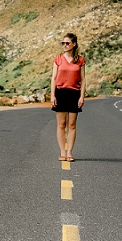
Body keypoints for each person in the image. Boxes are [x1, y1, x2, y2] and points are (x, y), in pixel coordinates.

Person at [50, 33, 85, 162]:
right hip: (60, 92)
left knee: (72, 125)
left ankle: (69, 152)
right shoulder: (58, 59)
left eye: (67, 43)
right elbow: (53, 78)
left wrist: (82, 96)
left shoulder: (80, 60)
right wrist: (52, 95)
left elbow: (83, 79)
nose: (64, 45)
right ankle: (62, 152)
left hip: (74, 93)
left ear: (74, 44)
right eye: (63, 43)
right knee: (61, 124)